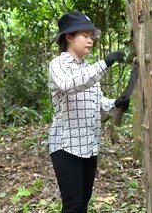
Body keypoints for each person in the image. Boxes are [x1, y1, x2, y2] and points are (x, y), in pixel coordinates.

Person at [47, 11, 130, 213]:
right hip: (66, 146)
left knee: (84, 202)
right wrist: (105, 63)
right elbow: (69, 85)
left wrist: (115, 104)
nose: (90, 40)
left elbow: (97, 104)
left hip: (89, 145)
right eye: (85, 36)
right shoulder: (58, 65)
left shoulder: (88, 68)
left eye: (92, 37)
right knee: (72, 205)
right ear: (69, 37)